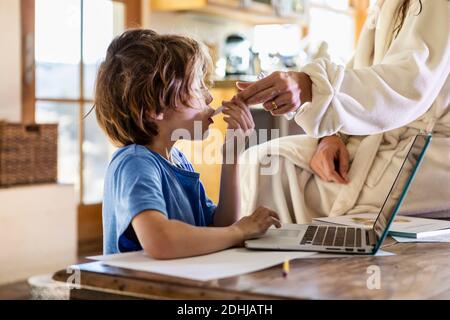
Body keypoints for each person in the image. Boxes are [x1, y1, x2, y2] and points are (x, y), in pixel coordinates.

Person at [236, 0, 450, 223]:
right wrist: (331, 136)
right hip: (381, 140)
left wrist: (310, 86)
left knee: (277, 173)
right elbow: (361, 69)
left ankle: (289, 256)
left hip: (427, 153)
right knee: (263, 160)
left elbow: (408, 83)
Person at [95, 29, 281, 258]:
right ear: (156, 108)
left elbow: (220, 227)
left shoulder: (178, 161)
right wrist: (239, 231)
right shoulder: (135, 163)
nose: (209, 97)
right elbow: (160, 240)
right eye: (197, 87)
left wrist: (231, 157)